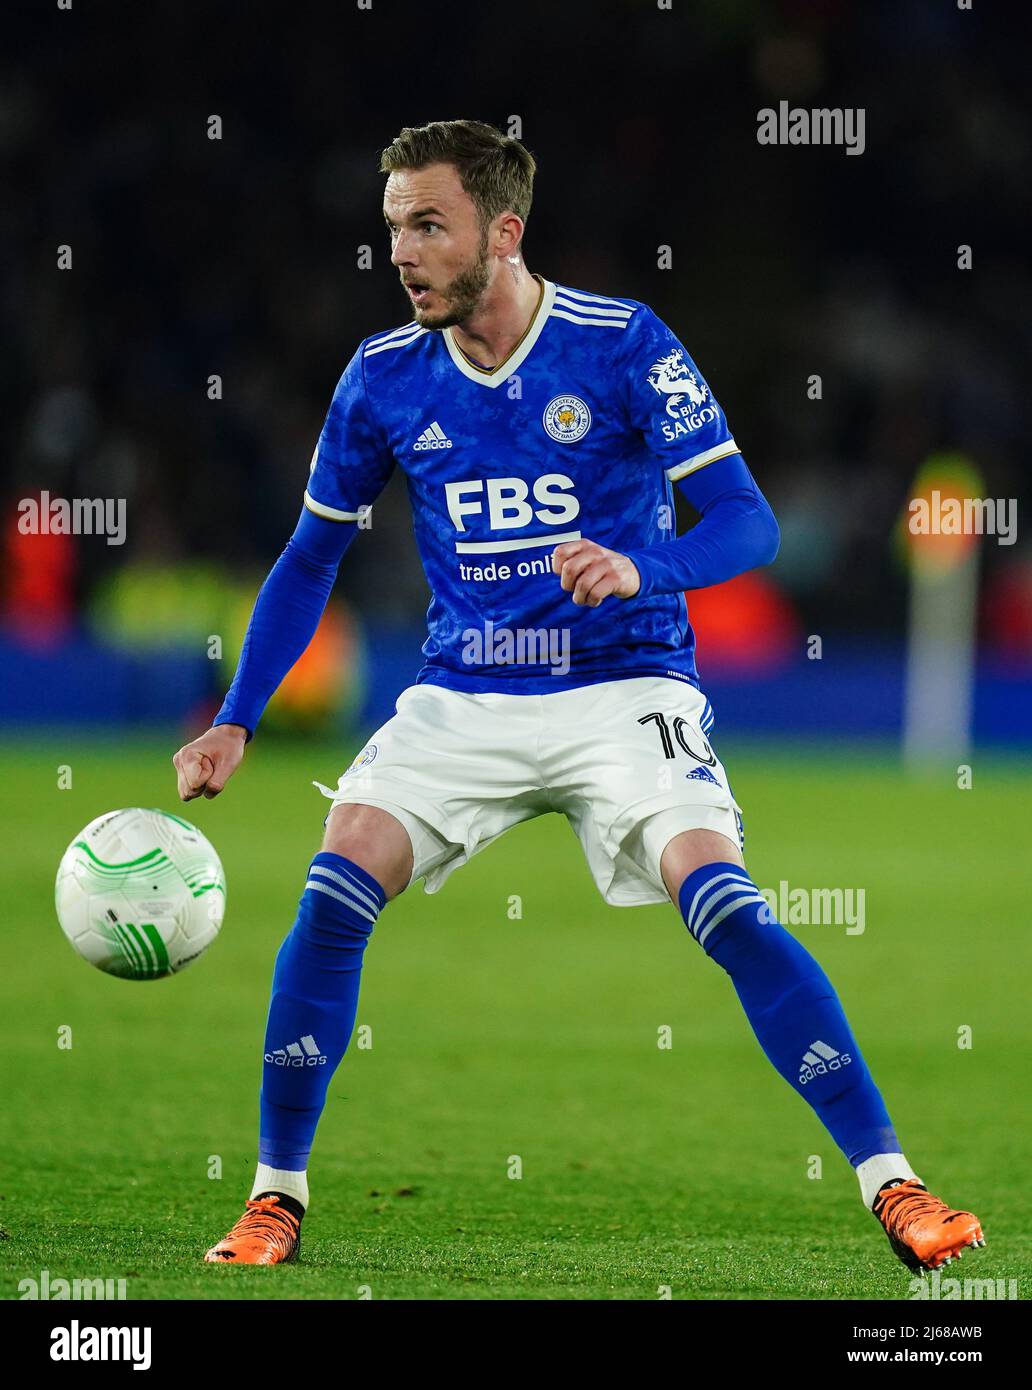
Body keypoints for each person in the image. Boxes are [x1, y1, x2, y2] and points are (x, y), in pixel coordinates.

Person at [173, 119, 984, 1274]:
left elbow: (747, 520)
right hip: (464, 694)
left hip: (625, 685)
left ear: (502, 231)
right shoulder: (383, 376)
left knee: (728, 905)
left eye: (429, 224)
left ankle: (895, 1185)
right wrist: (237, 716)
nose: (402, 251)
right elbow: (311, 557)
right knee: (335, 886)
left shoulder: (622, 343)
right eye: (394, 225)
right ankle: (274, 1196)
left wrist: (643, 566)